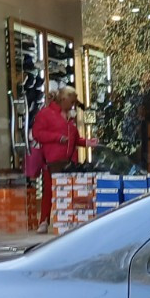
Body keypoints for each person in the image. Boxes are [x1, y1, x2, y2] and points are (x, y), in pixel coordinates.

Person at [31, 85, 98, 234]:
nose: (73, 105)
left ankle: (67, 219)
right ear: (63, 99)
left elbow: (74, 139)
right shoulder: (46, 114)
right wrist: (57, 138)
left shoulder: (70, 117)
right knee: (49, 189)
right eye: (71, 101)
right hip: (52, 159)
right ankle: (44, 220)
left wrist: (87, 142)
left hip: (68, 160)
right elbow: (37, 133)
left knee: (67, 190)